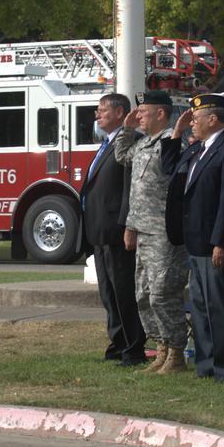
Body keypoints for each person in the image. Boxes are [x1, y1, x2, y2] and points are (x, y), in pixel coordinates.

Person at [165, 93, 224, 381]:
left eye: (196, 119)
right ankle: (206, 363)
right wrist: (176, 133)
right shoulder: (198, 148)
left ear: (213, 119)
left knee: (219, 307)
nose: (192, 124)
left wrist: (222, 241)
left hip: (213, 242)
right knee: (199, 306)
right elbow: (170, 168)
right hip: (194, 239)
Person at [114, 91, 187, 374]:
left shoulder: (172, 142)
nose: (139, 114)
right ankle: (162, 349)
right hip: (143, 230)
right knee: (143, 293)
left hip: (164, 233)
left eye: (144, 110)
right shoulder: (144, 143)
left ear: (161, 114)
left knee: (162, 292)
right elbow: (122, 156)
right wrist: (128, 129)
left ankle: (176, 352)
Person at [81, 93, 145, 366]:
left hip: (118, 231)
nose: (97, 115)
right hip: (99, 231)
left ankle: (133, 348)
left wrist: (127, 225)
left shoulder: (130, 141)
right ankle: (117, 343)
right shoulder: (105, 143)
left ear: (120, 113)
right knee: (108, 294)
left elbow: (130, 189)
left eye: (102, 110)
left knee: (123, 293)